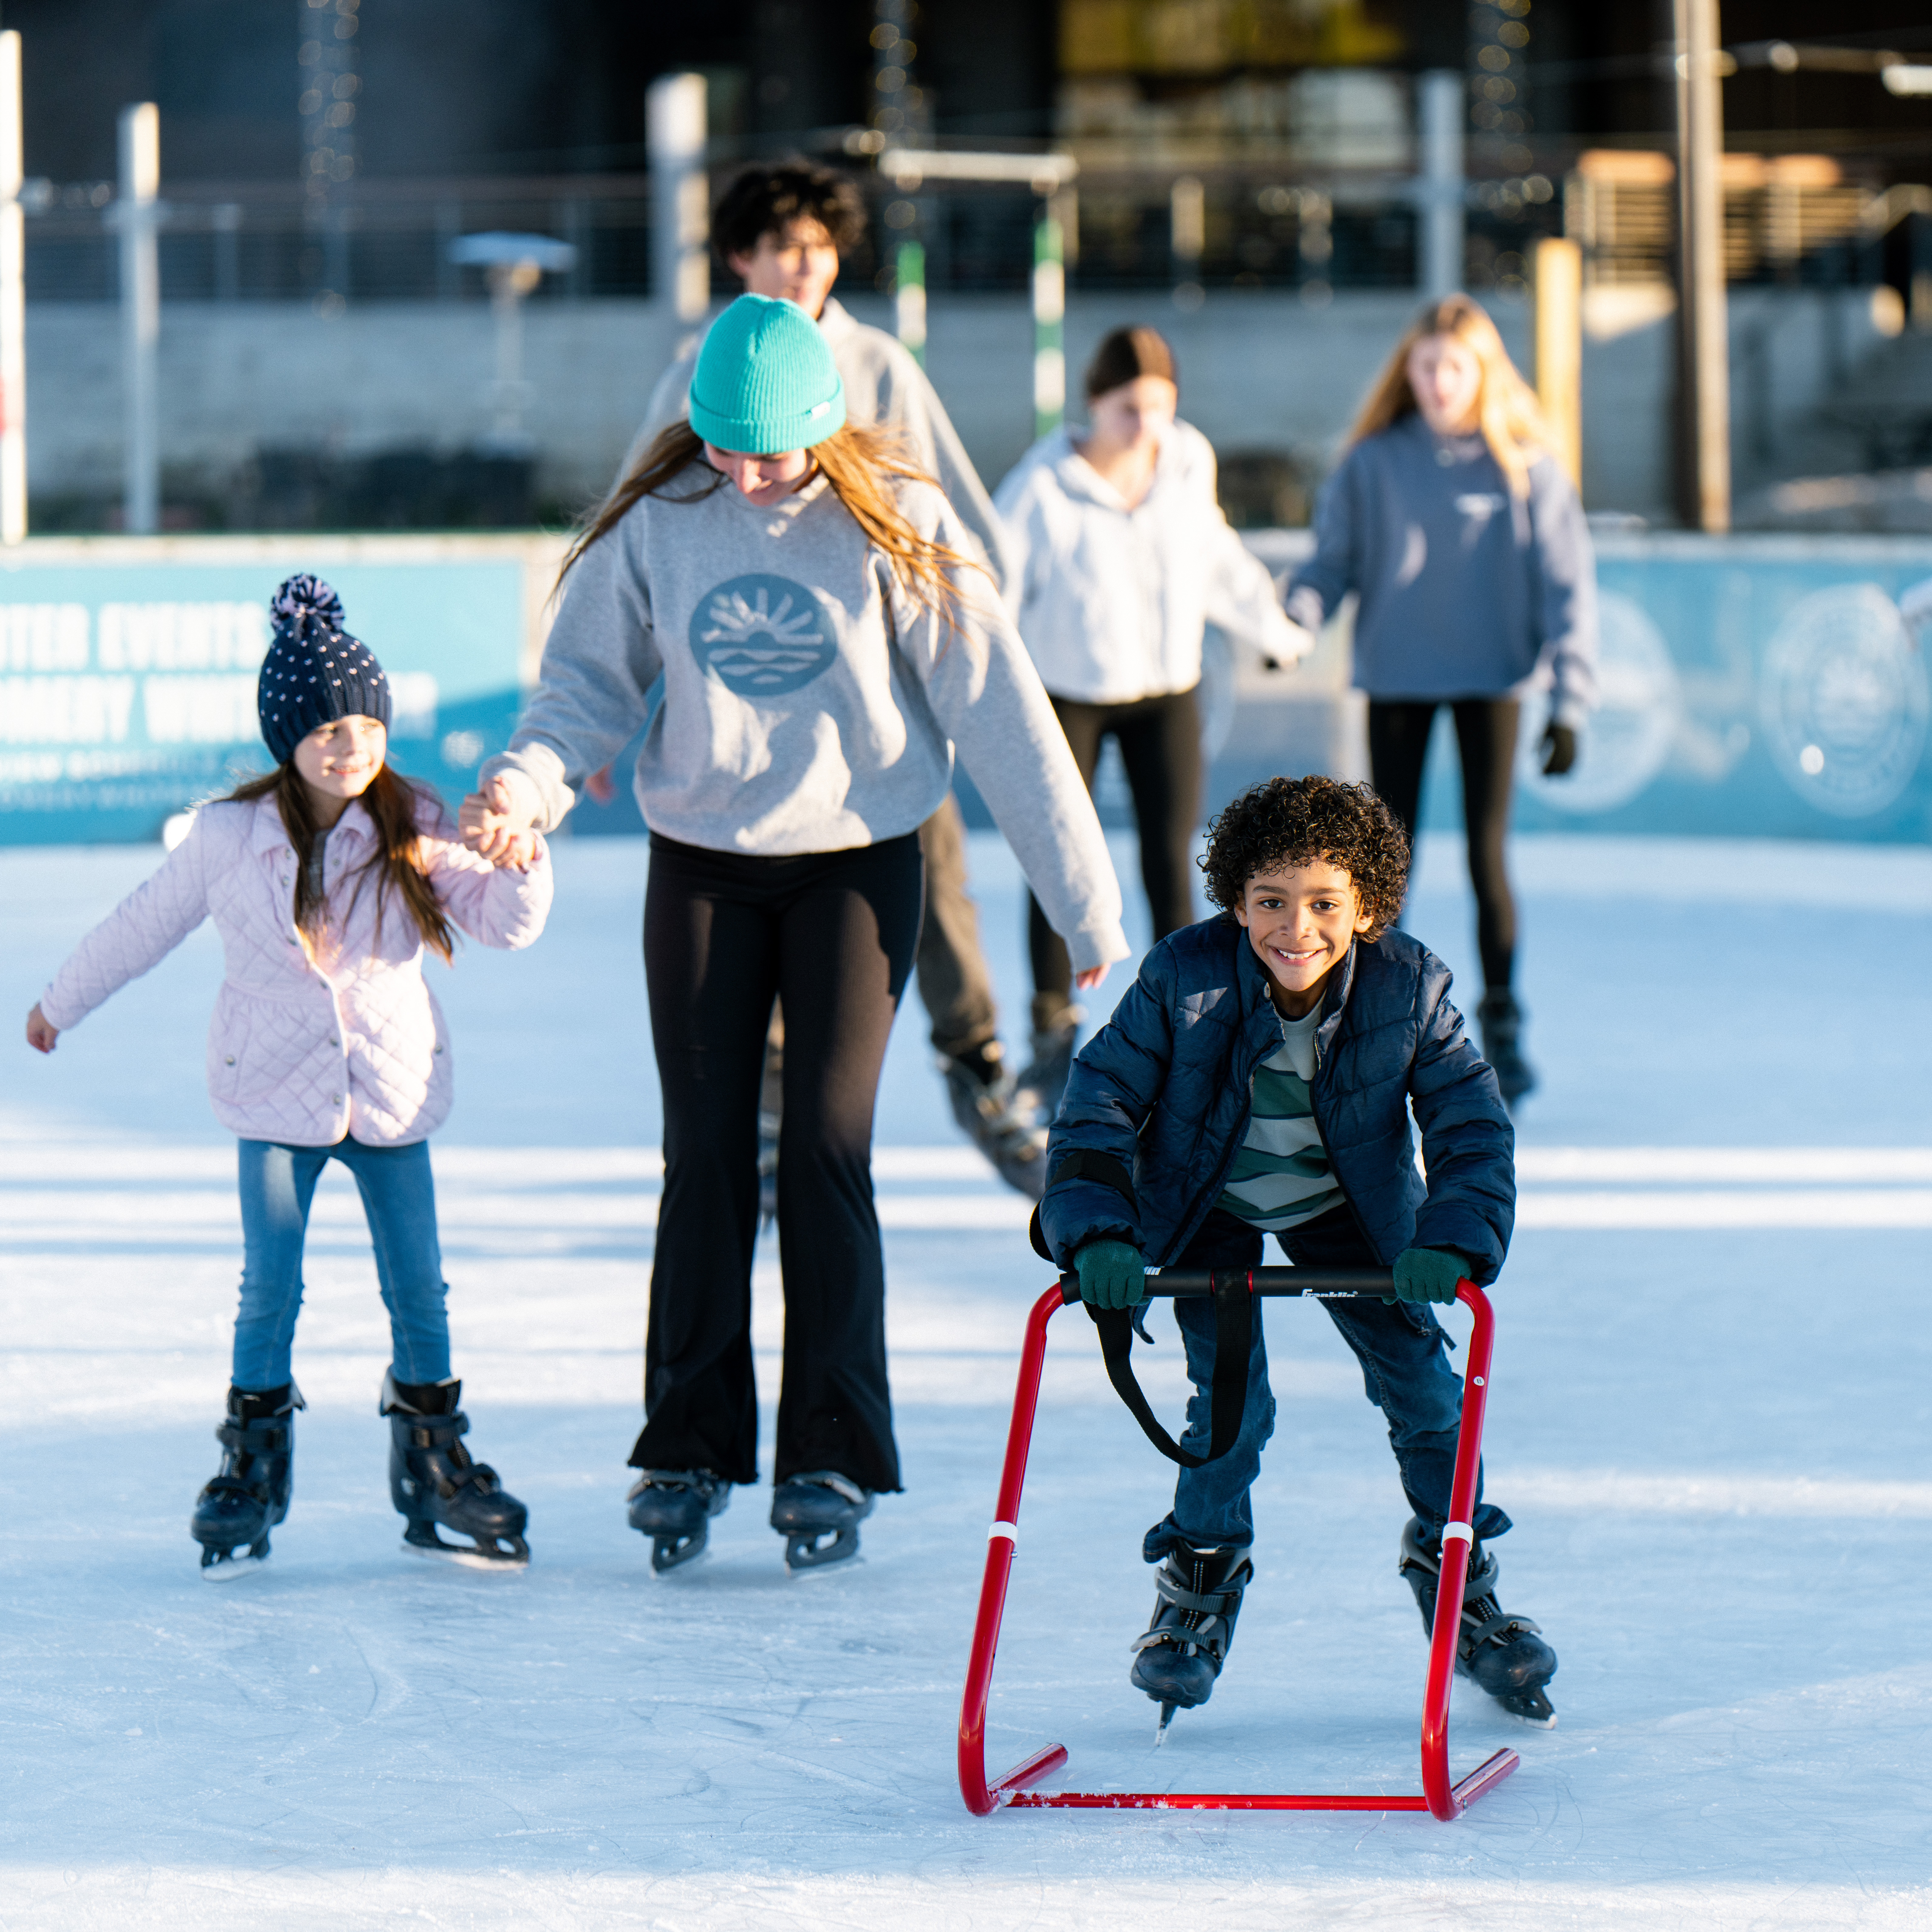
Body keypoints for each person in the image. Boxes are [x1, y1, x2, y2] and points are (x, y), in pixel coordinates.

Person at [461, 295, 1127, 1575]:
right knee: (703, 1153)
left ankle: (830, 1448)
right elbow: (585, 689)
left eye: (771, 452)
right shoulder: (661, 521)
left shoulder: (899, 522)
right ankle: (691, 1442)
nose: (748, 474)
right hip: (702, 867)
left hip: (855, 867)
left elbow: (998, 708)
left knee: (826, 1152)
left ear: (826, 423)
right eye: (725, 446)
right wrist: (526, 788)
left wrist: (1080, 902)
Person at [25, 576, 550, 1576]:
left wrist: (522, 856)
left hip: (392, 1093)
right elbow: (140, 926)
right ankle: (252, 1469)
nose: (349, 748)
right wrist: (60, 1004)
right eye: (324, 732)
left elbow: (506, 924)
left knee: (420, 1294)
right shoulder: (230, 837)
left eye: (363, 725)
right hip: (273, 1096)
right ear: (286, 739)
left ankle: (434, 1464)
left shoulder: (420, 820)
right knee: (270, 1287)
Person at [1036, 775, 1558, 1730]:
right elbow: (1098, 1103)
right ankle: (1197, 1584)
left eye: (1324, 904)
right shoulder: (1182, 977)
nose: (1296, 928)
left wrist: (1450, 1239)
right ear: (1236, 901)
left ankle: (1458, 1578)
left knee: (1426, 1393)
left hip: (1351, 1212)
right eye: (1271, 901)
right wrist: (1101, 1229)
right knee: (1230, 1405)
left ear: (1368, 907)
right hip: (1210, 1203)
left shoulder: (1411, 988)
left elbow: (1470, 1123)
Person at [618, 157, 1043, 1193]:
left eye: (816, 248)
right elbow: (634, 536)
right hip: (749, 700)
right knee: (750, 895)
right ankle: (770, 1112)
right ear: (740, 259)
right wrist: (608, 712)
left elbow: (958, 513)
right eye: (779, 249)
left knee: (930, 885)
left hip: (879, 703)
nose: (802, 267)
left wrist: (974, 639)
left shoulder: (876, 362)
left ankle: (979, 1069)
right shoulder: (700, 368)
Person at [1283, 294, 1596, 1105]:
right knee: (1385, 866)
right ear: (1408, 371)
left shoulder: (1527, 467)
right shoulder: (1374, 463)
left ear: (1484, 371)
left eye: (1455, 367)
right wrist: (1291, 622)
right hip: (1399, 678)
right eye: (1426, 367)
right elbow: (1330, 566)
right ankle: (1369, 1023)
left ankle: (1503, 1022)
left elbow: (1569, 590)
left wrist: (1570, 702)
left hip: (1493, 679)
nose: (1439, 382)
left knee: (1488, 854)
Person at [996, 326, 1312, 1114]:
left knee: (1173, 859)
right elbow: (993, 589)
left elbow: (1215, 558)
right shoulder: (1042, 486)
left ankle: (1187, 1028)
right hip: (1068, 694)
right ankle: (1048, 1036)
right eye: (1129, 409)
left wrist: (1272, 630)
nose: (1146, 427)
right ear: (1095, 406)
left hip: (1166, 689)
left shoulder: (1185, 462)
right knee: (1058, 860)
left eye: (1161, 407)